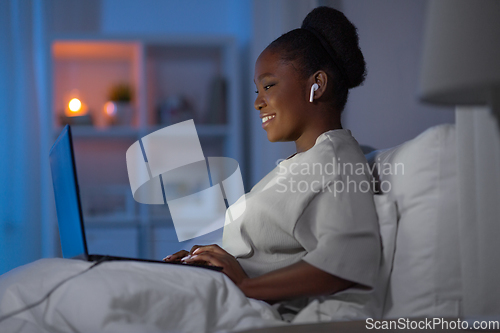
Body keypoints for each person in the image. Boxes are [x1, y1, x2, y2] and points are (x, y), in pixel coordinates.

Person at [164, 6, 380, 320]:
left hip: (253, 309)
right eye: (257, 90)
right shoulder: (304, 162)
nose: (257, 101)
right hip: (231, 296)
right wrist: (205, 264)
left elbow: (347, 261)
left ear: (315, 85)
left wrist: (245, 285)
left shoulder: (335, 161)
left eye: (268, 86)